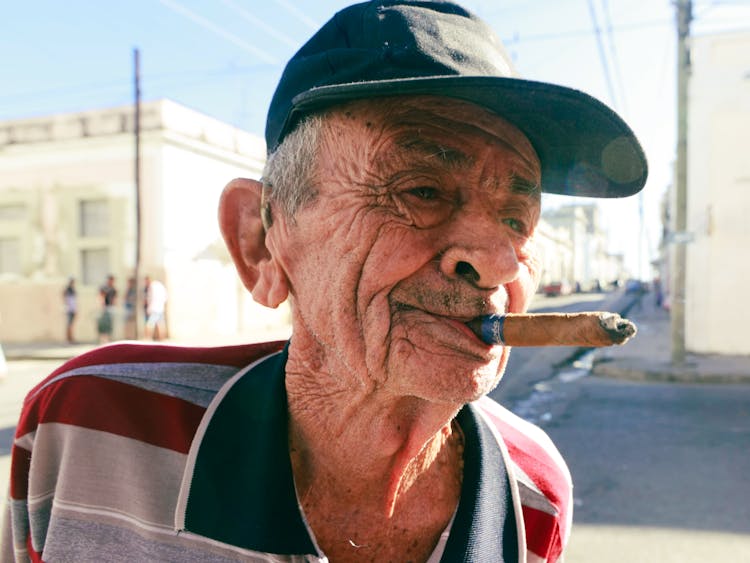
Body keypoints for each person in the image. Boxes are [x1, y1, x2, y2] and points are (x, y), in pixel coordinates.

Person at [1, 2, 647, 561]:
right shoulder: (86, 430)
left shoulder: (533, 492)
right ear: (261, 243)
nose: (500, 264)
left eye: (517, 218)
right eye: (421, 190)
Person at [144, 275, 168, 341]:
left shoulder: (152, 287)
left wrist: (149, 308)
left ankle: (148, 338)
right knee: (161, 324)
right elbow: (165, 298)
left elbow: (150, 298)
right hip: (160, 308)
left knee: (150, 323)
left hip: (154, 308)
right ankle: (162, 339)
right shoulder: (161, 286)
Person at [96, 274, 117, 343]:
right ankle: (102, 339)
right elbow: (101, 297)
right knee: (103, 324)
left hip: (111, 308)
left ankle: (108, 338)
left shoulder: (113, 289)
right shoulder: (104, 288)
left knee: (110, 324)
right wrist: (102, 305)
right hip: (105, 308)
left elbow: (114, 299)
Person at [62, 277, 77, 343]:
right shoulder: (67, 289)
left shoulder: (72, 290)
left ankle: (71, 338)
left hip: (73, 309)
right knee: (69, 324)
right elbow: (65, 297)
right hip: (69, 309)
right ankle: (68, 338)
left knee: (71, 324)